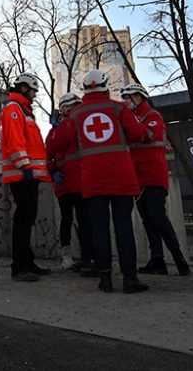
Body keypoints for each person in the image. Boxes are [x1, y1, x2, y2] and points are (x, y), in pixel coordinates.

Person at [49, 69, 149, 294]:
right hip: (121, 176)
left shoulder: (75, 115)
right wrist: (147, 134)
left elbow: (57, 143)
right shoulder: (118, 108)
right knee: (123, 227)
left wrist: (55, 128)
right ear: (105, 86)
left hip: (93, 179)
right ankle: (129, 279)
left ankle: (105, 278)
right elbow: (137, 133)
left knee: (99, 228)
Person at [121, 83, 190, 277]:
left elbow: (149, 135)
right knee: (147, 220)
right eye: (125, 98)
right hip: (138, 177)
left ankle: (179, 259)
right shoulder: (131, 119)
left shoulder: (152, 116)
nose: (126, 101)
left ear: (140, 97)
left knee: (158, 217)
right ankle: (157, 259)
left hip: (153, 175)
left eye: (130, 97)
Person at [0, 71, 51, 282]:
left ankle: (26, 262)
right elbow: (14, 141)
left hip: (28, 175)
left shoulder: (24, 110)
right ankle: (19, 267)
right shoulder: (14, 109)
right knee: (23, 221)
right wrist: (25, 165)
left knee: (27, 220)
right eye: (32, 90)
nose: (35, 95)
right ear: (23, 88)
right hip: (22, 175)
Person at [45, 92, 94, 271]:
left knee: (82, 219)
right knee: (70, 219)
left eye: (74, 106)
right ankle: (70, 256)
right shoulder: (63, 127)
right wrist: (53, 172)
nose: (72, 109)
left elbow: (52, 145)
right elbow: (49, 151)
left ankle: (86, 256)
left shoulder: (73, 125)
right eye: (69, 107)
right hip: (65, 182)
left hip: (77, 180)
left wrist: (56, 129)